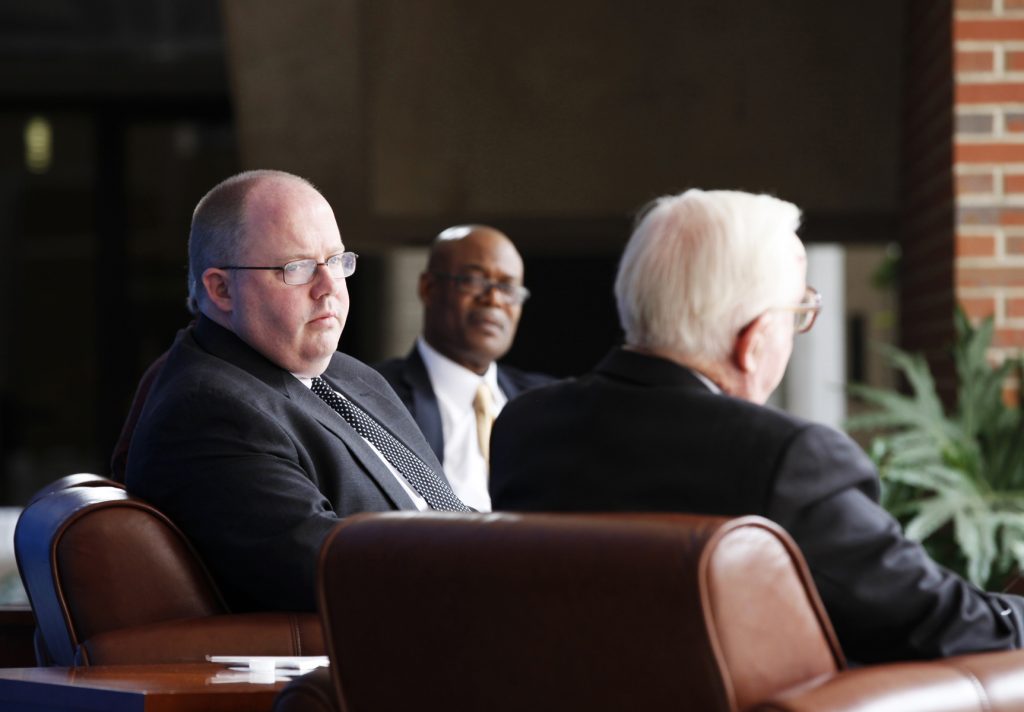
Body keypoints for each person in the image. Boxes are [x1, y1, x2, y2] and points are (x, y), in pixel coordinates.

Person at [489, 188, 1024, 664]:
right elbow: (949, 628)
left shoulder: (526, 426)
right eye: (798, 314)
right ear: (755, 339)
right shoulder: (787, 460)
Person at [125, 170, 468, 613]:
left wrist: (528, 554)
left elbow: (443, 510)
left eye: (337, 261)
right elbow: (325, 569)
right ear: (221, 288)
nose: (329, 288)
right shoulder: (207, 411)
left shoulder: (350, 376)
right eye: (298, 268)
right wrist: (497, 572)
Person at [375, 225, 553, 511]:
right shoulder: (376, 397)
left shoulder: (547, 402)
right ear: (428, 288)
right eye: (473, 280)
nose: (493, 299)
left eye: (507, 287)